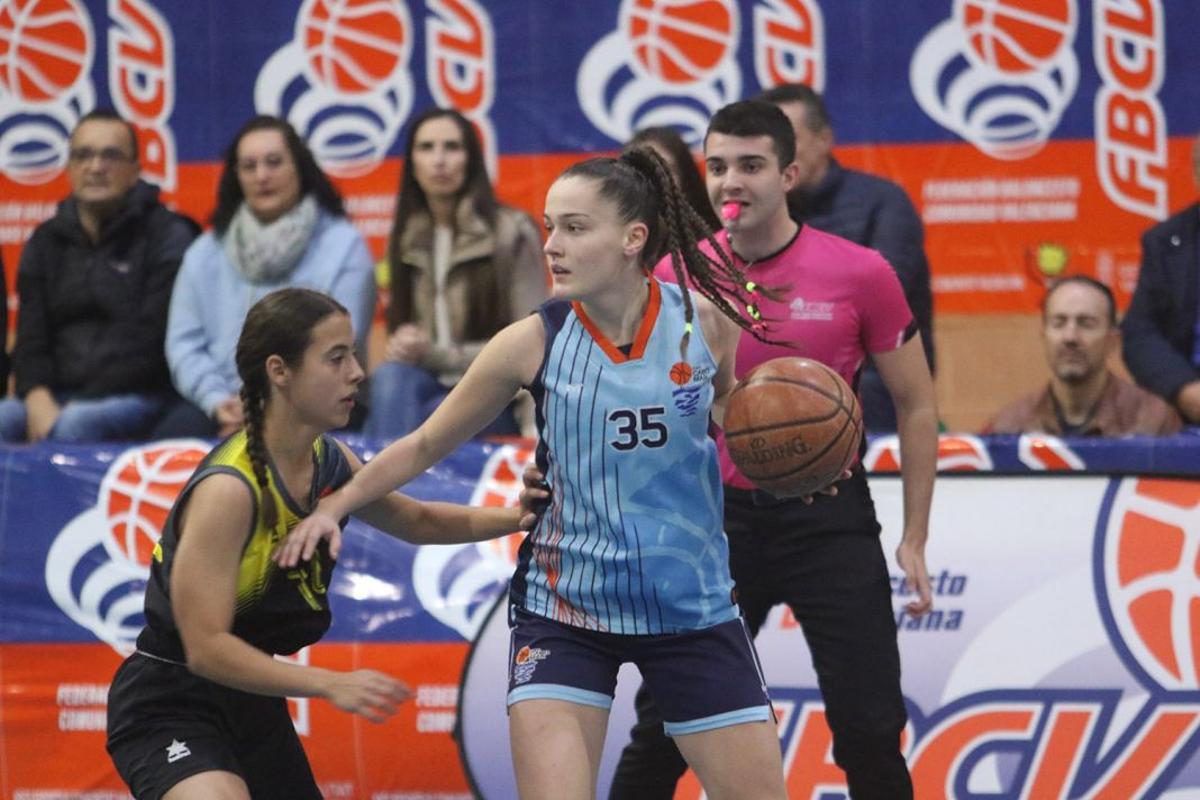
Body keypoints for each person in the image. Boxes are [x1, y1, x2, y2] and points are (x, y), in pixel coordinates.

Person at [276, 149, 791, 800]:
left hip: (691, 608)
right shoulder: (532, 340)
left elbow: (739, 426)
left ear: (634, 239)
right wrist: (335, 504)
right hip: (566, 611)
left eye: (574, 228)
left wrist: (793, 464)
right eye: (549, 227)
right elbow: (424, 443)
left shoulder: (704, 325)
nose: (551, 245)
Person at [611, 100, 938, 800]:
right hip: (715, 524)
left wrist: (915, 535)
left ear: (790, 173)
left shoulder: (861, 272)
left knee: (871, 730)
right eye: (719, 166)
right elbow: (641, 405)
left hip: (832, 520)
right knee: (666, 726)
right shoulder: (673, 277)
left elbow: (917, 404)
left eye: (751, 166)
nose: (732, 182)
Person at [106, 287, 546, 800]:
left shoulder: (328, 460)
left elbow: (421, 521)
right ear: (279, 371)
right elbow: (205, 650)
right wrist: (330, 684)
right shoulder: (231, 490)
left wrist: (517, 518)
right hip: (170, 699)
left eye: (354, 354)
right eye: (336, 358)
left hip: (249, 700)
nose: (358, 372)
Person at [156, 115, 375, 439]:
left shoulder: (344, 245)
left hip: (315, 402)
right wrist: (218, 401)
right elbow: (184, 344)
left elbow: (340, 345)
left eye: (274, 162)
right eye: (249, 166)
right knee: (172, 442)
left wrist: (268, 412)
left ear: (299, 168)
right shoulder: (205, 251)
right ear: (236, 176)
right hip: (223, 404)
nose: (262, 176)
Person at [0, 109, 196, 443]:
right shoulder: (45, 240)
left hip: (141, 395)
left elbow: (153, 343)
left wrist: (77, 403)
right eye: (84, 155)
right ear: (69, 168)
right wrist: (35, 395)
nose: (96, 167)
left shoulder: (168, 236)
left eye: (111, 155)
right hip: (57, 395)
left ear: (135, 170)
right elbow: (31, 338)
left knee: (76, 425)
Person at [758, 83, 935, 433]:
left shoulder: (884, 204)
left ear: (824, 139)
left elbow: (881, 312)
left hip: (874, 378)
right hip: (779, 381)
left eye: (788, 139)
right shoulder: (758, 216)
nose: (779, 154)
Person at [367, 107, 546, 440]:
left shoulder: (512, 231)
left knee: (433, 413)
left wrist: (533, 430)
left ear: (471, 159)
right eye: (426, 148)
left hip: (495, 395)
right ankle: (381, 487)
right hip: (425, 387)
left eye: (452, 147)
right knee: (391, 377)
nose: (439, 160)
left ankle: (383, 485)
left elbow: (533, 344)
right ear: (412, 164)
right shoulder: (406, 237)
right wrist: (404, 345)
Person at [986, 276, 1181, 436]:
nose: (1070, 337)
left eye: (1086, 323)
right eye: (1059, 323)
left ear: (1112, 340)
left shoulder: (1154, 422)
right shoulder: (1010, 426)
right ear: (1044, 336)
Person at [1122, 132, 1200, 425]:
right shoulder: (1165, 241)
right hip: (1187, 405)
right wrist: (1185, 389)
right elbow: (1139, 332)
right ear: (1196, 174)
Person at [625, 126, 722, 233]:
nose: (653, 179)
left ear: (685, 178)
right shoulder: (611, 234)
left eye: (665, 169)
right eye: (642, 169)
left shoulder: (713, 239)